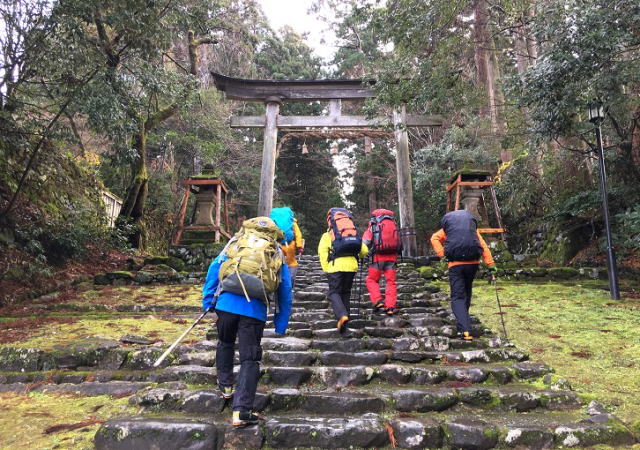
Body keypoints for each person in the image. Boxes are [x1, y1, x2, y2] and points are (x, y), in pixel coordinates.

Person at [202, 217, 292, 428]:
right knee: (249, 359)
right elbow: (285, 289)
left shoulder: (236, 242)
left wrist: (208, 301)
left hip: (226, 304)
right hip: (254, 310)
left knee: (225, 343)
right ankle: (241, 411)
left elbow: (215, 268)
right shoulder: (276, 251)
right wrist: (281, 323)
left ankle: (225, 387)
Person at [430, 209, 497, 340]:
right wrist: (491, 265)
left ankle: (465, 329)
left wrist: (442, 254)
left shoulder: (448, 230)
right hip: (472, 264)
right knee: (467, 292)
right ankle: (464, 321)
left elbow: (434, 238)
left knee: (457, 296)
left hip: (455, 265)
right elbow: (483, 246)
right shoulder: (472, 231)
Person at [318, 208, 368, 333]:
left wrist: (326, 268)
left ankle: (341, 315)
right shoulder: (352, 233)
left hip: (335, 266)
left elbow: (322, 252)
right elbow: (365, 250)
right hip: (351, 267)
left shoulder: (328, 235)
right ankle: (345, 326)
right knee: (346, 292)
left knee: (333, 292)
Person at [362, 209, 401, 315]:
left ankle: (378, 300)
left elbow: (365, 242)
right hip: (392, 258)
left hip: (377, 258)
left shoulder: (374, 224)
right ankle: (390, 307)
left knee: (371, 280)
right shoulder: (394, 224)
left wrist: (361, 253)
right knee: (391, 282)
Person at [270, 207, 304, 287]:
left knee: (277, 263)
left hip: (277, 245)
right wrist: (300, 246)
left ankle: (276, 284)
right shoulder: (292, 223)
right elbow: (298, 234)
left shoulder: (274, 223)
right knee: (292, 263)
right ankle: (290, 285)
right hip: (290, 245)